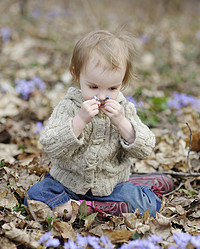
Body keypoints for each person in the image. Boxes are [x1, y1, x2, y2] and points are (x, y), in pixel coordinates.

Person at [24, 30, 173, 219]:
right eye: (93, 87)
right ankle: (92, 206)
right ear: (76, 74)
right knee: (34, 197)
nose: (102, 96)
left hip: (111, 186)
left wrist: (122, 123)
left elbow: (145, 148)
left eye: (112, 88)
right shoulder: (69, 106)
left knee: (148, 207)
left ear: (122, 81)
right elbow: (50, 145)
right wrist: (79, 122)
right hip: (66, 185)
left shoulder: (123, 109)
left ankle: (89, 205)